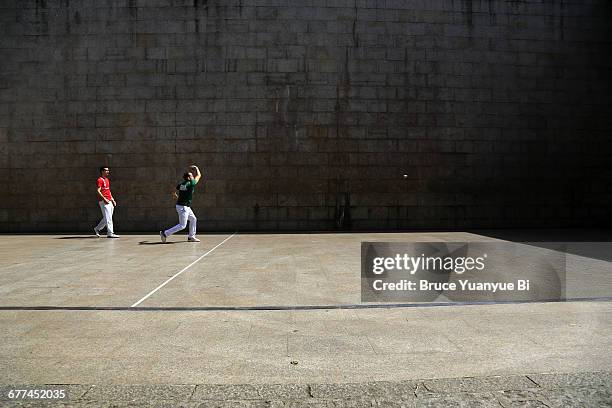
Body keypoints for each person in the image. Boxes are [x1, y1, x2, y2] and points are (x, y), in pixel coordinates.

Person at [160, 165, 202, 243]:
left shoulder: (183, 184)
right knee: (182, 225)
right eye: (192, 176)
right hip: (183, 207)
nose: (193, 176)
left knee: (193, 219)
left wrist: (175, 195)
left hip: (184, 206)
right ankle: (165, 233)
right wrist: (196, 168)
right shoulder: (191, 183)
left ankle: (191, 237)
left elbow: (174, 189)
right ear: (189, 178)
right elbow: (199, 176)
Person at [94, 166, 120, 238]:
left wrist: (113, 199)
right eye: (106, 170)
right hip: (104, 201)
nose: (108, 171)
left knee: (107, 218)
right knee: (108, 218)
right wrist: (104, 199)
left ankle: (97, 228)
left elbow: (108, 191)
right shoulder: (99, 180)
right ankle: (110, 233)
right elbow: (98, 191)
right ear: (102, 171)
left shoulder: (107, 180)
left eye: (108, 170)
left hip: (109, 201)